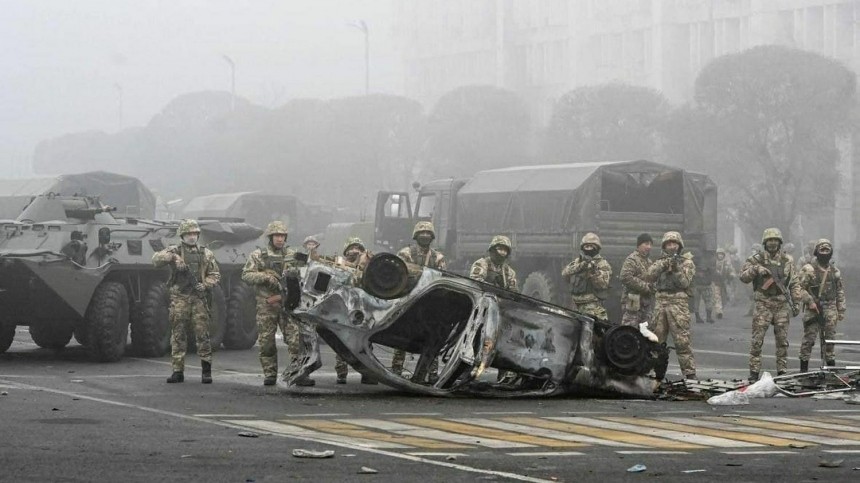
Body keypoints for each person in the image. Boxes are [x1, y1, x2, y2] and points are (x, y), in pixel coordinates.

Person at [241, 221, 314, 387]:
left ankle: (300, 373)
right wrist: (266, 277)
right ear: (271, 237)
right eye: (277, 236)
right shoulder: (259, 255)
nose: (280, 239)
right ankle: (270, 374)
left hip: (289, 304)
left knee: (296, 341)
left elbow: (310, 268)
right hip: (267, 305)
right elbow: (246, 275)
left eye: (282, 236)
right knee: (266, 343)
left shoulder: (293, 254)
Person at [152, 219, 220, 384]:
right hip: (180, 297)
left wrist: (205, 285)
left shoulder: (205, 253)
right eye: (188, 234)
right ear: (182, 235)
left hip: (198, 298)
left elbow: (215, 274)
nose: (192, 237)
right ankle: (177, 371)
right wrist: (173, 257)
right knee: (178, 335)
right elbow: (155, 260)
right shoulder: (175, 250)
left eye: (194, 234)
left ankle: (206, 370)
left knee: (202, 334)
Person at [739, 228, 802, 381]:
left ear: (780, 243)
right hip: (763, 303)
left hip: (781, 304)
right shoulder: (756, 259)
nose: (773, 243)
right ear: (765, 242)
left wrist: (797, 302)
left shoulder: (788, 260)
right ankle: (754, 373)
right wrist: (756, 269)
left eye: (776, 240)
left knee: (782, 341)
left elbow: (794, 282)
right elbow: (743, 277)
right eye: (770, 240)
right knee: (757, 340)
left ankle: (782, 372)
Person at [392, 221, 447, 382]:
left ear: (432, 236)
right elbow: (397, 275)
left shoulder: (438, 257)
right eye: (422, 233)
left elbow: (442, 278)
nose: (425, 235)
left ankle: (432, 373)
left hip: (430, 303)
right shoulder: (405, 253)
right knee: (402, 336)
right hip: (407, 300)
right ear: (416, 235)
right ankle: (396, 370)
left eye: (428, 233)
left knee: (432, 338)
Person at [646, 231, 697, 380]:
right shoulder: (659, 261)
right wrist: (663, 265)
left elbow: (685, 283)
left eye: (674, 243)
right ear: (664, 246)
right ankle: (656, 373)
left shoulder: (687, 263)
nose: (671, 246)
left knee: (682, 340)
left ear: (679, 245)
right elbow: (649, 275)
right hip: (661, 302)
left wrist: (676, 269)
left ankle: (689, 374)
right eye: (668, 244)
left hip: (678, 302)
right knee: (656, 340)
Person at [470, 235, 519, 383]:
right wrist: (492, 286)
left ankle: (503, 373)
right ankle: (471, 369)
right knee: (477, 340)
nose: (501, 253)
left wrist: (506, 291)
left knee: (502, 341)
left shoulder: (509, 272)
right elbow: (475, 281)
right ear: (492, 250)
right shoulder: (482, 264)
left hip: (499, 311)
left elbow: (513, 292)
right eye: (499, 249)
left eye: (504, 250)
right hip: (481, 309)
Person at [797, 239, 846, 371]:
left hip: (830, 308)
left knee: (829, 341)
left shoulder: (834, 271)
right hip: (813, 309)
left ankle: (830, 370)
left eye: (827, 250)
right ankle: (803, 371)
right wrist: (810, 302)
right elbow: (799, 289)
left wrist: (841, 309)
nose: (824, 253)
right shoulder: (809, 269)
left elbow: (840, 290)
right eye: (821, 250)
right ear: (816, 252)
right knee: (809, 340)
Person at [339, 237, 377, 384]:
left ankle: (368, 374)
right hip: (345, 307)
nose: (355, 251)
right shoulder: (339, 264)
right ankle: (341, 374)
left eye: (358, 248)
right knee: (342, 340)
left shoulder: (368, 264)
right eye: (352, 248)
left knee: (366, 343)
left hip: (364, 309)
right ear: (346, 251)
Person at [561, 232, 612, 321]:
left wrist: (593, 272)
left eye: (591, 246)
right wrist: (581, 266)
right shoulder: (578, 262)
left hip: (592, 307)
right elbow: (565, 273)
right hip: (575, 306)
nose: (588, 249)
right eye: (586, 246)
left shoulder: (602, 264)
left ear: (596, 248)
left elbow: (603, 284)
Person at [619, 233, 654, 327]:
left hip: (645, 304)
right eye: (646, 244)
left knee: (646, 332)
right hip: (633, 303)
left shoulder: (649, 262)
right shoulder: (632, 260)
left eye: (650, 244)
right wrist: (645, 286)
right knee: (630, 331)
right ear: (639, 245)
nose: (649, 247)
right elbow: (625, 277)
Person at [690, 252, 719, 324]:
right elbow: (713, 272)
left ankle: (698, 318)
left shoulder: (693, 260)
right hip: (705, 285)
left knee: (696, 302)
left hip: (697, 285)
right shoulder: (709, 259)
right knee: (708, 301)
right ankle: (708, 318)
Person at [713, 247, 735, 318]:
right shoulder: (714, 263)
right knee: (717, 297)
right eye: (719, 254)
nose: (720, 256)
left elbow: (731, 270)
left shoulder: (727, 263)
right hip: (716, 282)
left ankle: (721, 308)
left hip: (725, 282)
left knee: (724, 298)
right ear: (717, 255)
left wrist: (732, 275)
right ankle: (719, 311)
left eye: (722, 254)